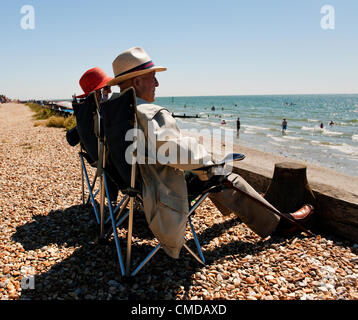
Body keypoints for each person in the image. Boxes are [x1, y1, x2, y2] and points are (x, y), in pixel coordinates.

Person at [106, 47, 299, 259]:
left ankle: (242, 207)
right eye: (153, 78)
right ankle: (280, 223)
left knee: (209, 173)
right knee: (222, 174)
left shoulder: (113, 110)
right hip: (160, 189)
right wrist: (210, 160)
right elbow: (174, 151)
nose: (157, 84)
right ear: (137, 83)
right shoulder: (148, 113)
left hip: (136, 183)